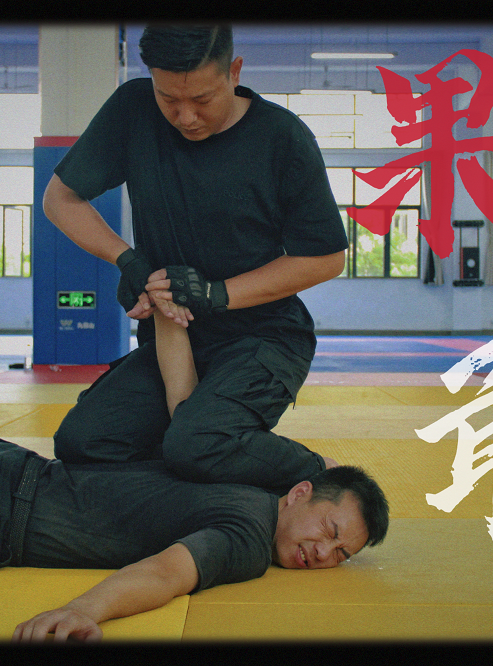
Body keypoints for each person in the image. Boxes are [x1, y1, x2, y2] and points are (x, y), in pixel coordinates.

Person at [0, 302, 389, 643]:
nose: (323, 553)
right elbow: (166, 573)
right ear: (299, 493)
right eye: (330, 530)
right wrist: (82, 611)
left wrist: (169, 319)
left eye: (341, 554)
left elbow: (183, 403)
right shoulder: (248, 531)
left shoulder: (221, 463)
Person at [43, 25, 349, 496]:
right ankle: (198, 470)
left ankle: (316, 469)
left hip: (262, 337)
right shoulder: (133, 109)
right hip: (173, 339)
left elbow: (326, 258)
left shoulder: (281, 137)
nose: (185, 117)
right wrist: (128, 261)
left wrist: (216, 294)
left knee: (195, 444)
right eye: (168, 99)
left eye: (202, 99)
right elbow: (60, 199)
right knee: (84, 442)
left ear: (234, 72)